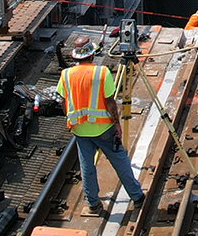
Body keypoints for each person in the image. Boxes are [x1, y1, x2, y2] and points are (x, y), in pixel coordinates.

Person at [55, 35, 146, 216]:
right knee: (120, 161)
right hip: (104, 128)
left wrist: (70, 120)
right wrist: (117, 125)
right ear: (92, 54)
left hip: (80, 129)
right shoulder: (101, 72)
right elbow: (110, 101)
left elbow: (63, 101)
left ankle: (93, 204)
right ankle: (136, 196)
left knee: (87, 167)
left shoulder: (66, 75)